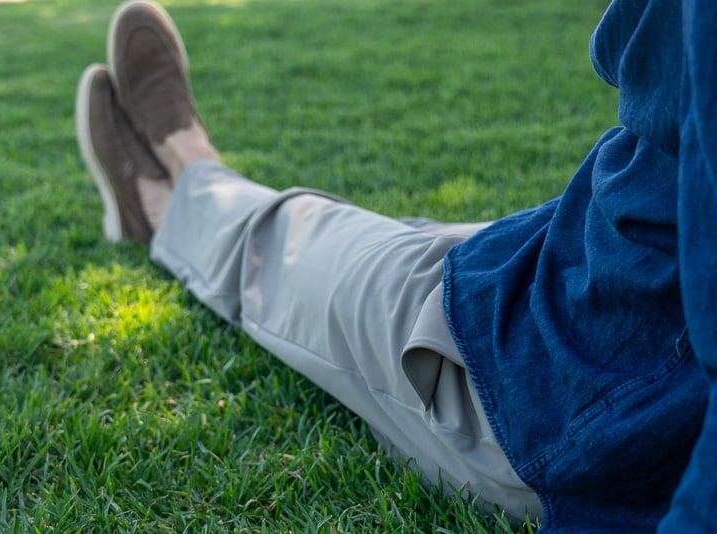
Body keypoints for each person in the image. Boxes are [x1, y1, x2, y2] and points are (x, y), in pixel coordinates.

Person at [74, 0, 716, 531]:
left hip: (578, 392)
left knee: (299, 248)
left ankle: (177, 188)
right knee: (407, 240)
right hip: (602, 260)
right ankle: (183, 182)